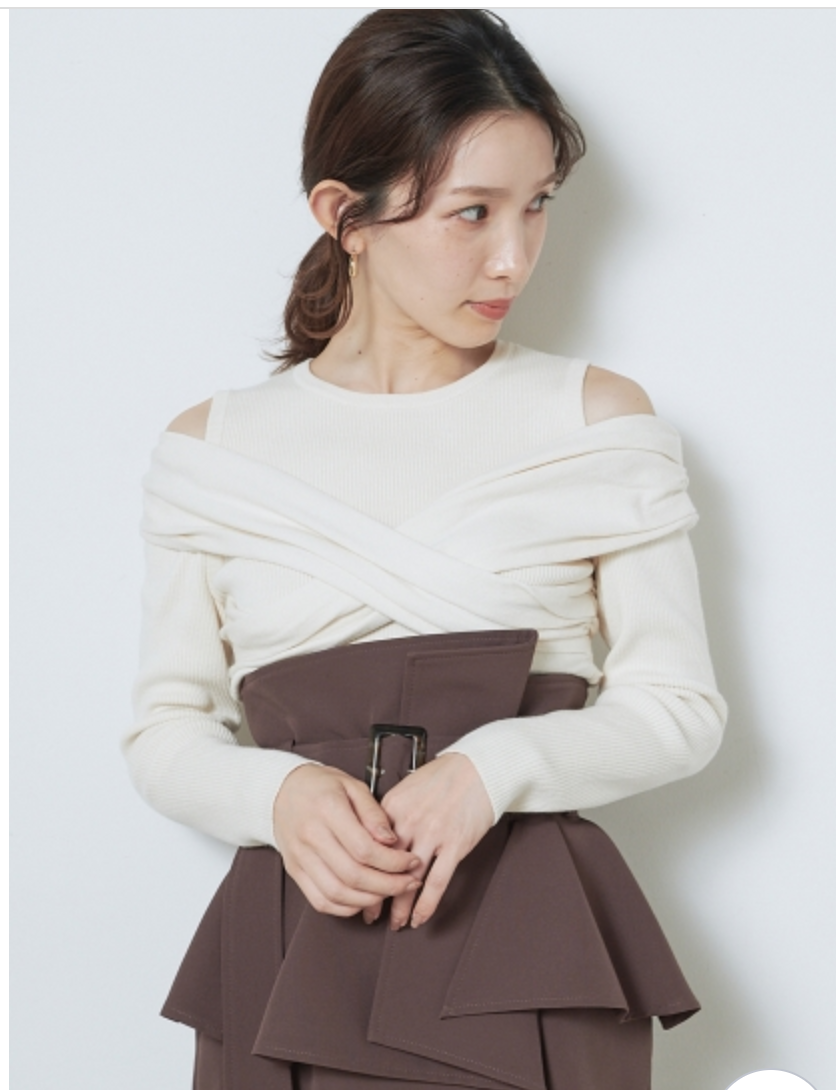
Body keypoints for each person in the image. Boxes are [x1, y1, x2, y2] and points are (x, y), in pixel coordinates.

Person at [126, 10, 727, 1089]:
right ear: (343, 215)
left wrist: (496, 768)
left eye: (537, 205)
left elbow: (679, 709)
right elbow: (165, 730)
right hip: (291, 942)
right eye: (472, 212)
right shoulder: (212, 448)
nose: (514, 257)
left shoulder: (596, 420)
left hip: (529, 944)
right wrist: (279, 796)